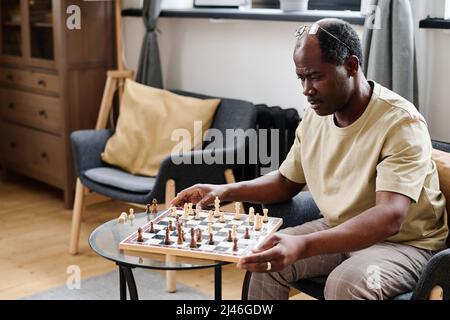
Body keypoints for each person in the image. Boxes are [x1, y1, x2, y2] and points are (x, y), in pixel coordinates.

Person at [170, 18, 448, 300]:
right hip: (338, 228)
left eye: (315, 76)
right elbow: (284, 181)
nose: (306, 89)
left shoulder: (400, 123)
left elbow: (389, 218)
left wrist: (302, 245)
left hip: (406, 244)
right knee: (265, 257)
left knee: (344, 284)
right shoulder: (316, 117)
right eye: (301, 78)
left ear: (351, 66)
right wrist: (223, 191)